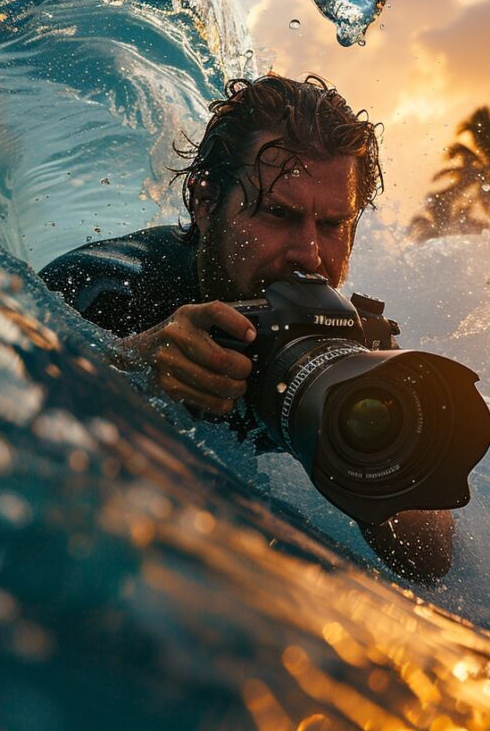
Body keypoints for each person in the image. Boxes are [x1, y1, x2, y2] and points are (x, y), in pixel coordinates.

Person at [40, 74, 453, 581]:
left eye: (331, 225)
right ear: (206, 203)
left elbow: (431, 566)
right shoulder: (106, 288)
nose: (311, 254)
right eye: (278, 213)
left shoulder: (348, 343)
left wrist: (383, 454)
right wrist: (129, 364)